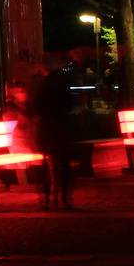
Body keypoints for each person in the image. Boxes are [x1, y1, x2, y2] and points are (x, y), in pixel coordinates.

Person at [29, 61, 77, 209]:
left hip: (47, 128)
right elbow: (70, 104)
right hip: (62, 127)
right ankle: (64, 196)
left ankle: (49, 196)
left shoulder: (42, 85)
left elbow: (36, 107)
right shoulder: (63, 83)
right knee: (64, 163)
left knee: (49, 165)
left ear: (43, 68)